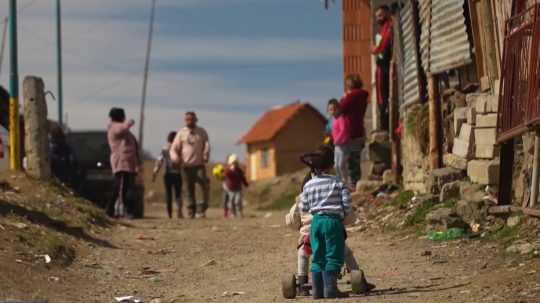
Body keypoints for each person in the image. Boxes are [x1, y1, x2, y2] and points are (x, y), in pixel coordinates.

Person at [285, 192, 374, 297]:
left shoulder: (300, 200)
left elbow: (291, 221)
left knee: (302, 254)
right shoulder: (332, 199)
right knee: (346, 252)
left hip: (308, 238)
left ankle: (302, 283)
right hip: (331, 236)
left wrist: (300, 226)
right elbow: (348, 217)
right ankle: (358, 278)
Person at [299, 146, 351, 299]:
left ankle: (317, 291)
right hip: (332, 222)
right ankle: (330, 289)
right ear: (331, 165)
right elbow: (347, 204)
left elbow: (303, 207)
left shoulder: (308, 185)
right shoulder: (338, 182)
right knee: (333, 255)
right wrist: (343, 214)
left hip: (316, 224)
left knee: (318, 256)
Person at [170, 111, 211, 219]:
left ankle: (201, 210)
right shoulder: (181, 133)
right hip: (185, 166)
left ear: (196, 120)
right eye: (187, 119)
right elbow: (174, 148)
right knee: (188, 189)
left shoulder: (201, 132)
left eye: (192, 119)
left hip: (199, 165)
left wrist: (206, 154)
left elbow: (207, 145)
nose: (189, 121)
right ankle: (190, 211)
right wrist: (175, 158)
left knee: (202, 186)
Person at [107, 108, 139, 218]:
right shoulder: (115, 126)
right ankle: (111, 210)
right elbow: (121, 130)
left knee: (125, 188)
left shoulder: (120, 128)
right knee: (120, 187)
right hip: (121, 161)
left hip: (127, 162)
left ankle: (123, 210)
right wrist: (129, 122)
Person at [340, 74, 369, 189]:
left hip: (350, 131)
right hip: (359, 130)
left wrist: (344, 97)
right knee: (356, 158)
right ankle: (355, 182)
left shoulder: (351, 97)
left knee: (350, 160)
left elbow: (341, 108)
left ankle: (353, 183)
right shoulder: (363, 96)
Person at [372, 4, 393, 132]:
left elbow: (381, 46)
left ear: (386, 13)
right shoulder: (381, 30)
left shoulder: (390, 26)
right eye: (376, 17)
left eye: (380, 15)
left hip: (386, 66)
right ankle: (383, 125)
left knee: (384, 97)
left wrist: (375, 49)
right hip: (381, 66)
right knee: (382, 98)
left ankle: (385, 127)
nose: (378, 18)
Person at [153, 131, 183, 219]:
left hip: (167, 174)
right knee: (178, 193)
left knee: (168, 194)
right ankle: (179, 211)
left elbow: (159, 161)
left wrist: (155, 172)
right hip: (178, 174)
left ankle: (169, 214)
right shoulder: (179, 148)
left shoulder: (164, 148)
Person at [331, 102, 350, 186]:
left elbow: (343, 130)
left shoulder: (341, 118)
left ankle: (345, 182)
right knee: (336, 165)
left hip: (342, 145)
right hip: (337, 146)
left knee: (341, 165)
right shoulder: (334, 120)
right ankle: (339, 182)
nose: (333, 111)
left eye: (335, 109)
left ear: (338, 109)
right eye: (331, 109)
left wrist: (337, 140)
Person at [224, 154, 249, 218]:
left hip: (238, 189)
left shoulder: (239, 170)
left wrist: (246, 184)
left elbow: (242, 177)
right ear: (230, 163)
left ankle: (239, 212)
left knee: (237, 201)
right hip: (230, 189)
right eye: (233, 163)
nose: (234, 164)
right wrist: (230, 169)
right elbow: (226, 173)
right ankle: (233, 213)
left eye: (235, 163)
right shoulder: (228, 170)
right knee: (231, 202)